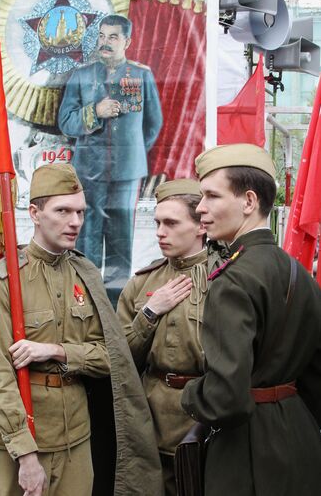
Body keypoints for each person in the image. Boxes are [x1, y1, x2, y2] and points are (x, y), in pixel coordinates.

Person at [0, 163, 163, 496]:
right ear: (34, 212)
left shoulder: (85, 273)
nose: (75, 222)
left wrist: (57, 351)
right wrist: (26, 454)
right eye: (62, 211)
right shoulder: (4, 280)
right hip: (14, 442)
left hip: (74, 437)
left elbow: (112, 357)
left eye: (79, 212)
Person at [181, 144, 321, 496]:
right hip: (301, 441)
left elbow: (225, 398)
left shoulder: (234, 278)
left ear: (248, 201)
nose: (200, 208)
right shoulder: (297, 273)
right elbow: (317, 375)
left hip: (246, 452)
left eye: (212, 196)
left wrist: (189, 394)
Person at [58, 14, 163, 307]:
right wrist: (95, 112)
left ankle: (116, 309)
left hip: (126, 174)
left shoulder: (141, 75)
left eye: (113, 37)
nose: (105, 43)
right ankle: (85, 305)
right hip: (88, 171)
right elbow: (65, 122)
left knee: (120, 241)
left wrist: (129, 153)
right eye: (102, 36)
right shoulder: (81, 75)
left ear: (127, 41)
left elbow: (153, 124)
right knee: (86, 237)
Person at [118, 179, 208, 495]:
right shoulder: (141, 284)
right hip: (148, 426)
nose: (159, 231)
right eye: (157, 222)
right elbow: (119, 359)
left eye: (171, 222)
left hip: (201, 424)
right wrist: (150, 313)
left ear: (201, 226)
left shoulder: (225, 279)